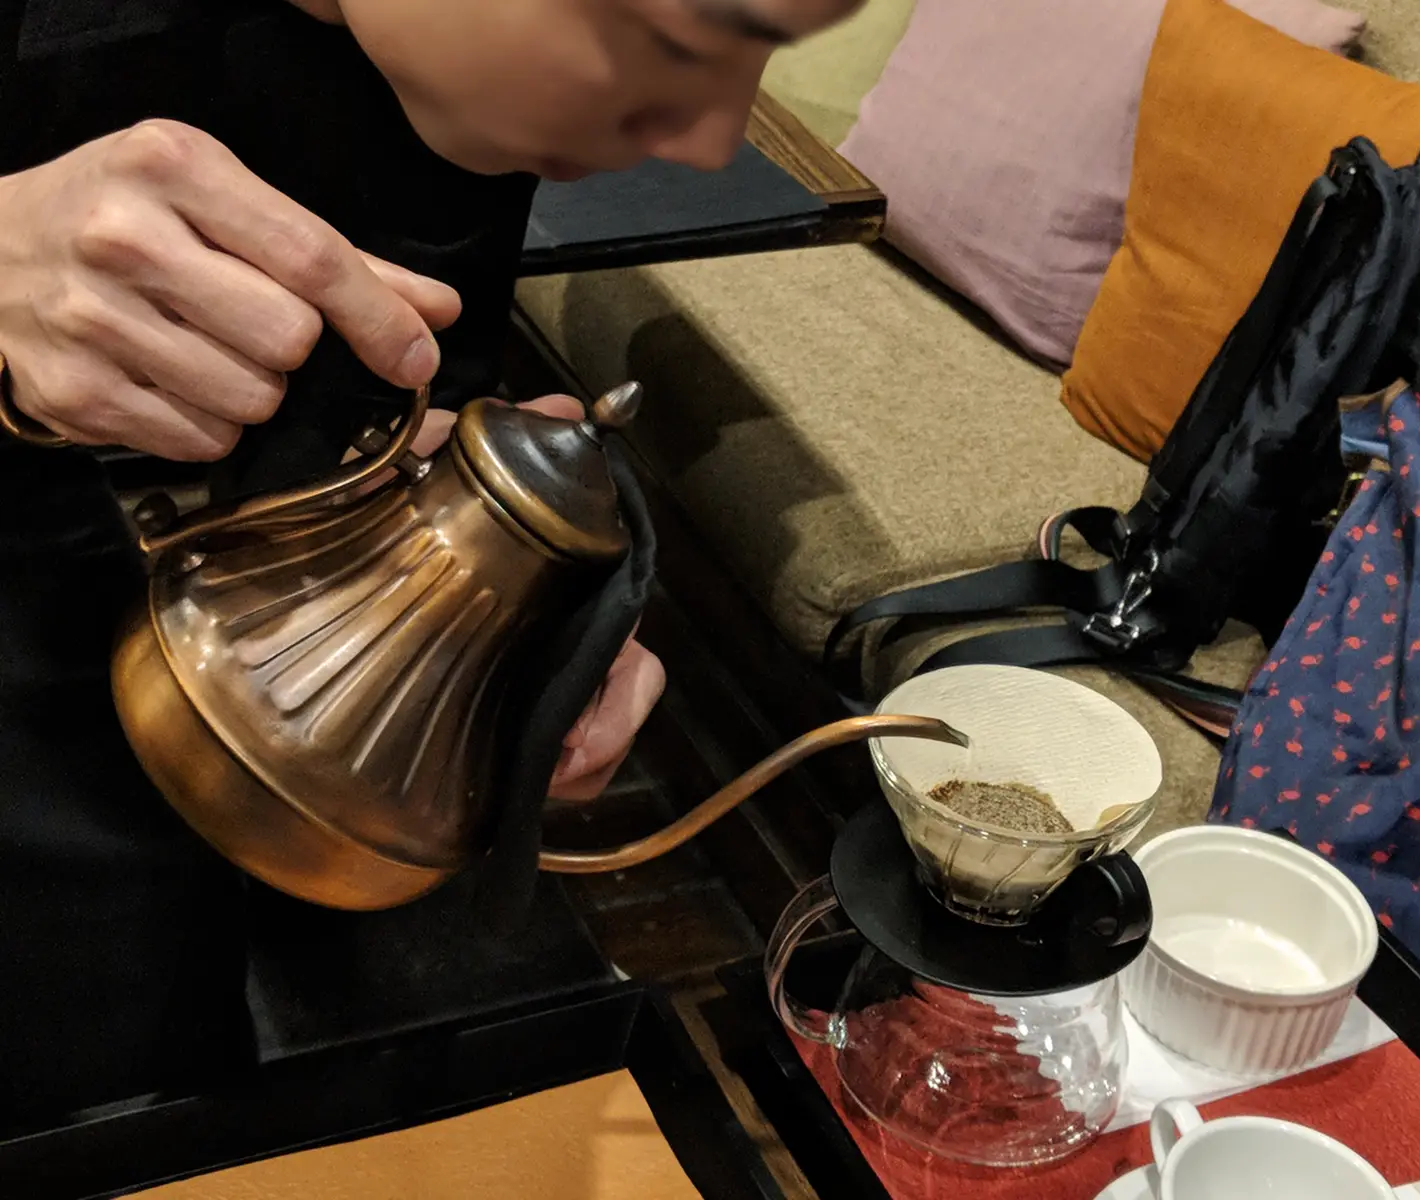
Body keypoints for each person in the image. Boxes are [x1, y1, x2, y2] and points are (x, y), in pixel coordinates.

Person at [0, 0, 858, 1129]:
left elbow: (394, 395)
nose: (709, 140)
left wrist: (502, 599)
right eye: (674, 26)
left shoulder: (445, 72)